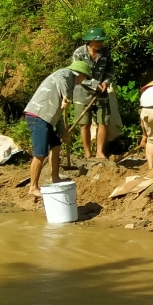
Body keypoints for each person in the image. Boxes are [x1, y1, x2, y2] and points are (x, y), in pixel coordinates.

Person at [23, 58, 95, 200]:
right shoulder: (66, 74)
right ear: (79, 74)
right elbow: (59, 77)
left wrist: (63, 132)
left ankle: (55, 177)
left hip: (47, 118)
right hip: (38, 115)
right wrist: (66, 96)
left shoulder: (69, 84)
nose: (83, 80)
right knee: (40, 153)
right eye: (84, 77)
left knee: (56, 145)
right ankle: (33, 187)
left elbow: (59, 113)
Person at [71, 29, 122, 160]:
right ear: (90, 41)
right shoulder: (79, 53)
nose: (100, 43)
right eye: (97, 41)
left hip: (102, 93)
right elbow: (77, 74)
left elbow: (111, 69)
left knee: (103, 121)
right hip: (82, 93)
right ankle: (87, 152)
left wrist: (106, 82)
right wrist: (94, 84)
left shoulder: (105, 53)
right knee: (85, 123)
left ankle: (100, 152)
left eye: (101, 41)